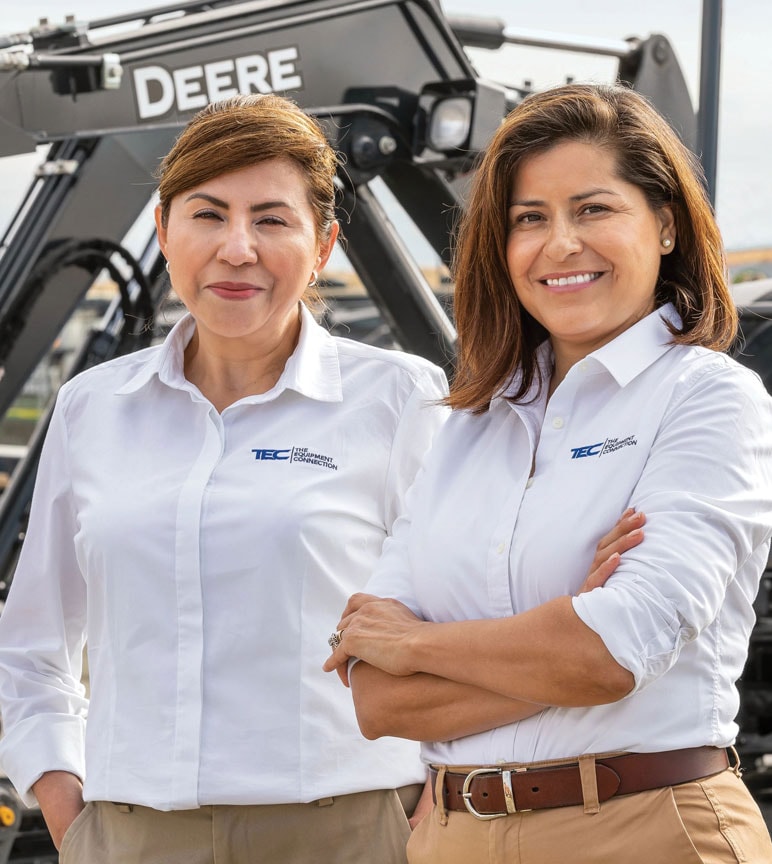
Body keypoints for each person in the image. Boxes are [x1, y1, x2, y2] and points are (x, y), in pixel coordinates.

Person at [0, 93, 455, 864]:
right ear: (164, 234)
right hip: (131, 832)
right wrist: (67, 807)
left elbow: (465, 617)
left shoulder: (400, 400)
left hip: (350, 831)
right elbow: (33, 643)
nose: (237, 247)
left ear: (323, 246)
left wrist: (439, 801)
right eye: (208, 215)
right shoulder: (92, 410)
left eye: (272, 220)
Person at [324, 82, 772, 863]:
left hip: (644, 827)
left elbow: (609, 652)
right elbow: (379, 698)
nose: (560, 243)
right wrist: (565, 627)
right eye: (529, 219)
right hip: (454, 837)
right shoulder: (466, 424)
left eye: (594, 209)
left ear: (665, 224)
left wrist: (422, 644)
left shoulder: (707, 396)